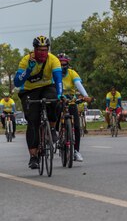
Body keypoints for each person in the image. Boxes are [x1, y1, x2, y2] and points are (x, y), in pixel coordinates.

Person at [14, 36, 63, 169]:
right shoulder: (26, 60)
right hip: (29, 91)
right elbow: (17, 82)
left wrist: (60, 95)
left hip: (47, 87)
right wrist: (28, 70)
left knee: (55, 101)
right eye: (39, 50)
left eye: (45, 50)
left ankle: (52, 128)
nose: (42, 53)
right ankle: (33, 157)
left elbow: (58, 80)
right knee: (33, 121)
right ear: (34, 50)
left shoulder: (53, 59)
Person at [57, 53, 93, 162]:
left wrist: (85, 96)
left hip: (71, 102)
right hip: (58, 101)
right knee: (55, 119)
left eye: (65, 64)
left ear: (68, 64)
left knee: (77, 127)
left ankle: (76, 151)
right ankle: (56, 135)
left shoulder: (72, 73)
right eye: (60, 64)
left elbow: (78, 84)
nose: (63, 66)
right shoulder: (54, 74)